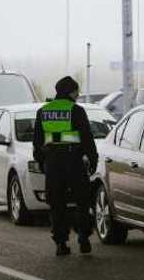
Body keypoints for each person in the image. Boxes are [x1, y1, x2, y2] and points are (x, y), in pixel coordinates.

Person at [33, 76, 98, 257]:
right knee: (82, 201)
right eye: (77, 91)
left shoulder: (43, 112)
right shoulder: (76, 110)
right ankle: (84, 237)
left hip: (53, 162)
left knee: (57, 203)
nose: (78, 95)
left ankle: (61, 243)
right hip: (74, 161)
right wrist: (93, 159)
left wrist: (41, 161)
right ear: (71, 92)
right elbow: (87, 138)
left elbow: (37, 141)